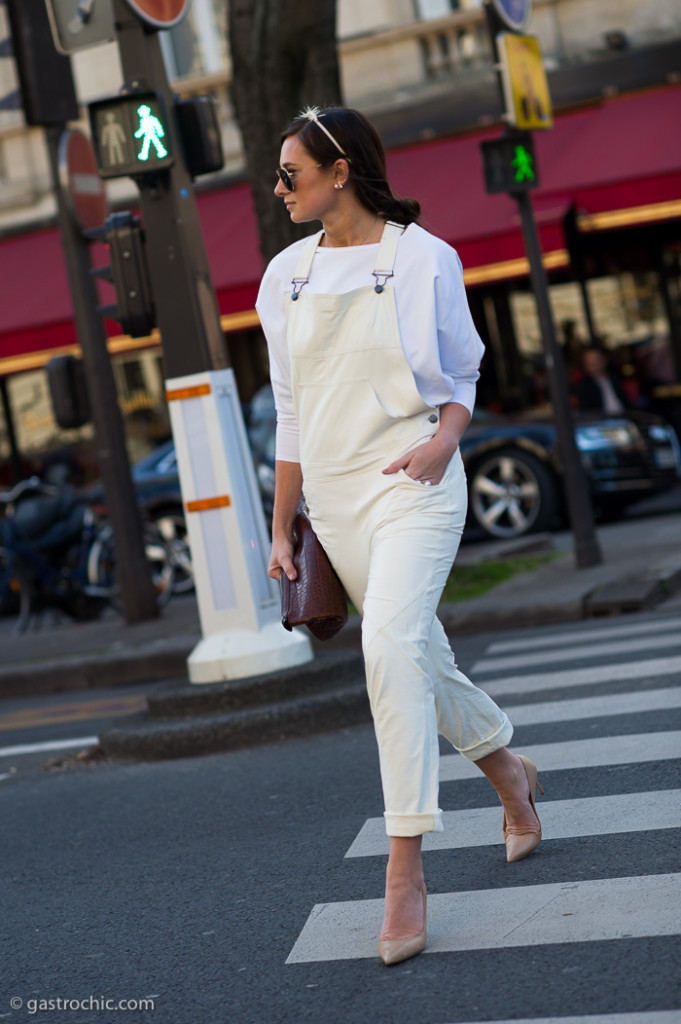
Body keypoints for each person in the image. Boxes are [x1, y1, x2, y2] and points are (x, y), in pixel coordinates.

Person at [256, 106, 543, 966]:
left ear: (339, 172)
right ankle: (511, 780)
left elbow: (463, 373)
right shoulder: (285, 277)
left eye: (290, 174)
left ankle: (405, 867)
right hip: (336, 502)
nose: (278, 190)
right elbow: (292, 413)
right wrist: (282, 529)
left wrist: (445, 439)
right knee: (416, 653)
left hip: (414, 481)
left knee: (387, 646)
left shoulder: (424, 258)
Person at [575, 345, 636, 413]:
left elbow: (631, 402)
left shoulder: (617, 377)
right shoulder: (584, 387)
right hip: (602, 422)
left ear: (605, 360)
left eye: (597, 361)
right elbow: (588, 413)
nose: (595, 366)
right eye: (591, 363)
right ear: (585, 366)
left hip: (627, 418)